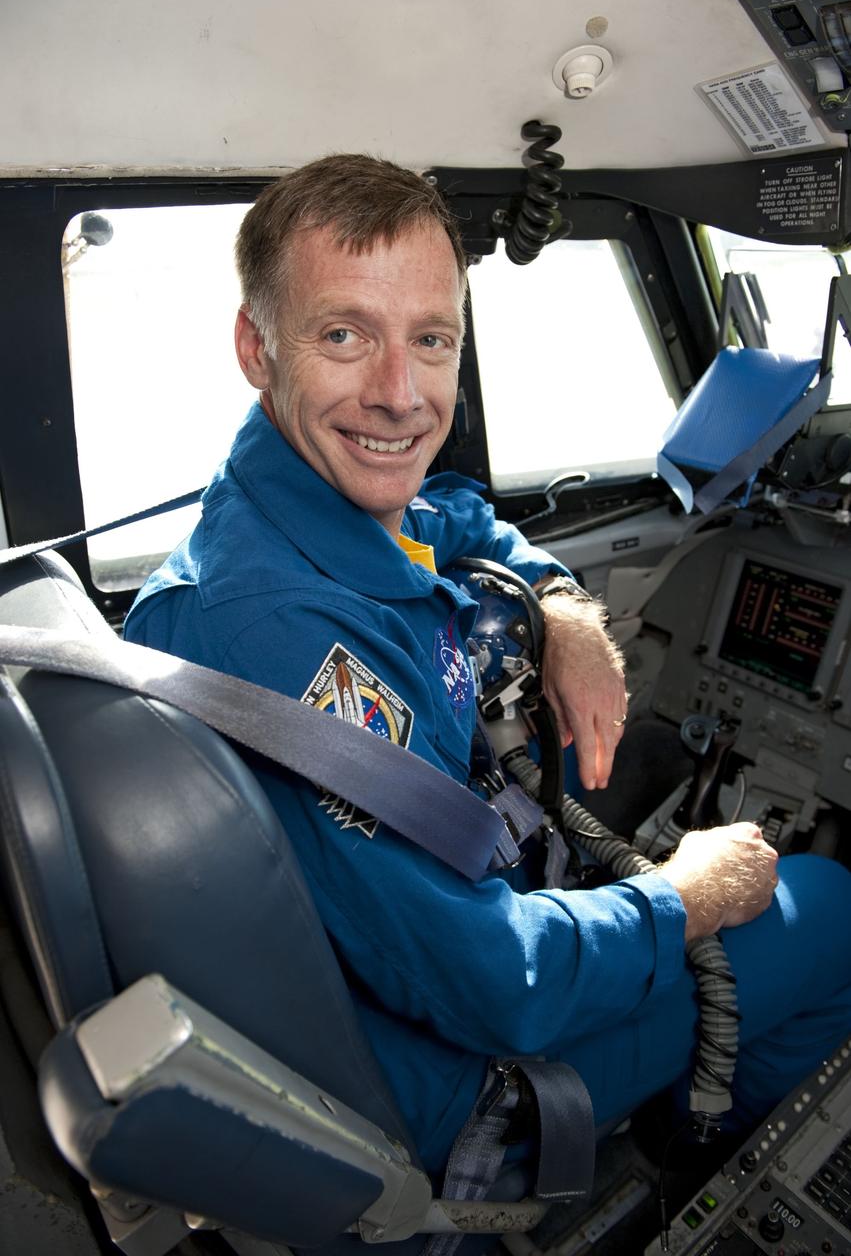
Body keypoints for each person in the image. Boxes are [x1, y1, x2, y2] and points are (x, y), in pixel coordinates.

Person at [125, 154, 851, 1180]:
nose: (399, 396)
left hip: (451, 934)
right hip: (455, 1085)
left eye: (430, 340)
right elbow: (497, 985)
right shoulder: (281, 637)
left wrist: (562, 606)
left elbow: (455, 515)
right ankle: (700, 1152)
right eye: (343, 335)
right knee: (827, 903)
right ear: (257, 345)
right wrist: (686, 894)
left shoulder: (299, 502)